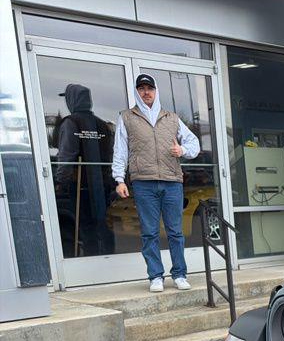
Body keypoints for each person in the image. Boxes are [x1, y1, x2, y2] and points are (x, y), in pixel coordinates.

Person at [111, 73, 200, 292]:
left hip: (172, 182)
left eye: (149, 88)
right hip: (144, 183)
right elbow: (120, 150)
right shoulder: (127, 117)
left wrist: (183, 150)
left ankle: (179, 274)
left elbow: (194, 143)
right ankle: (156, 276)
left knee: (175, 231)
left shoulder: (171, 118)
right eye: (141, 88)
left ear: (155, 91)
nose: (146, 92)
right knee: (149, 232)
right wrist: (119, 179)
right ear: (137, 92)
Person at [53, 84, 115, 257]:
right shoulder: (103, 125)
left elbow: (67, 155)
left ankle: (92, 263)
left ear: (72, 100)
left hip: (80, 184)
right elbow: (111, 155)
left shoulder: (71, 122)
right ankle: (110, 258)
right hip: (103, 185)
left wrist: (61, 181)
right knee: (104, 225)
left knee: (86, 227)